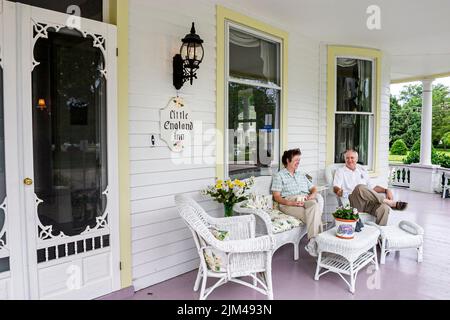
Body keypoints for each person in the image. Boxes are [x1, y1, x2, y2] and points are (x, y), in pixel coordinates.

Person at [333, 149, 408, 226]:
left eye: (352, 158)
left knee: (384, 208)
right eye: (347, 158)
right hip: (353, 202)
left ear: (357, 159)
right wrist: (339, 191)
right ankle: (389, 202)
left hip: (368, 203)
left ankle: (379, 234)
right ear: (344, 159)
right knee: (360, 187)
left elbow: (372, 188)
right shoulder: (340, 171)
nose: (349, 160)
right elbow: (335, 187)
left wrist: (386, 190)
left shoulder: (362, 171)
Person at [271, 149, 322, 257]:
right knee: (315, 214)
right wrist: (291, 203)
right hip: (288, 203)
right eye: (296, 160)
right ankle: (319, 245)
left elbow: (313, 188)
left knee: (314, 205)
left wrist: (312, 195)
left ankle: (312, 243)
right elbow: (276, 197)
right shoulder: (279, 176)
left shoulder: (301, 174)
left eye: (299, 160)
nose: (298, 162)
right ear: (288, 161)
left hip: (305, 199)